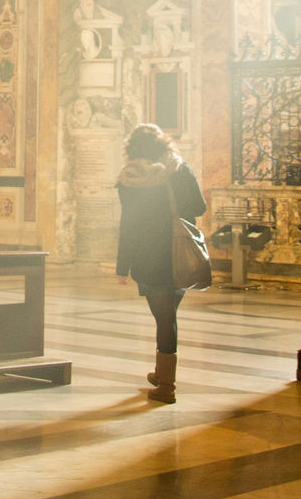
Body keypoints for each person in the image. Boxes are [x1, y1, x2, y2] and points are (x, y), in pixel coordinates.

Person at [115, 123, 206, 403]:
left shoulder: (129, 178)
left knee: (163, 317)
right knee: (167, 316)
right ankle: (162, 372)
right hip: (177, 252)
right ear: (162, 144)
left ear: (132, 149)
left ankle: (166, 385)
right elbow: (199, 208)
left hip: (147, 254)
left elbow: (128, 224)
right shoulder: (179, 169)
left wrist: (122, 266)